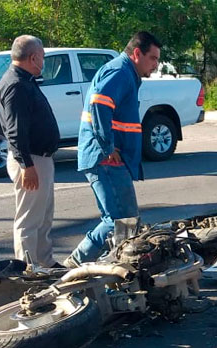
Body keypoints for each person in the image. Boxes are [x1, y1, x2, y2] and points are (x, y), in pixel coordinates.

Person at [65, 31, 160, 267]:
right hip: (106, 160)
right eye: (153, 58)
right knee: (122, 221)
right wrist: (108, 147)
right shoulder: (120, 72)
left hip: (108, 159)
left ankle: (108, 269)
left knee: (121, 221)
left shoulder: (125, 73)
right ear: (137, 53)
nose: (156, 65)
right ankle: (76, 265)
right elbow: (99, 104)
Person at [0, 35, 60, 268]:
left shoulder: (25, 80)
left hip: (39, 158)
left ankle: (45, 263)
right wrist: (27, 166)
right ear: (33, 58)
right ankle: (28, 270)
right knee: (29, 220)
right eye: (42, 57)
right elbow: (15, 130)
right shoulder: (16, 85)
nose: (43, 61)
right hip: (31, 159)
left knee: (43, 216)